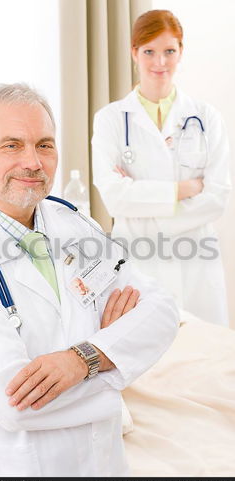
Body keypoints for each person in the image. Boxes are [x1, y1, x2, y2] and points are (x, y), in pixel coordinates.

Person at [0, 83, 179, 477]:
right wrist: (116, 355)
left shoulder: (73, 221)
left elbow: (160, 309)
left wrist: (83, 359)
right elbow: (16, 403)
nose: (33, 161)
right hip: (20, 474)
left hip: (106, 467)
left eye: (44, 145)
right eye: (12, 145)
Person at [92, 10, 231, 326]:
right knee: (146, 359)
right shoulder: (111, 120)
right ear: (134, 53)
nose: (160, 62)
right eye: (149, 52)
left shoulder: (207, 118)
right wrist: (182, 190)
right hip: (141, 260)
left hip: (196, 261)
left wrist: (143, 204)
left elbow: (217, 196)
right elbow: (114, 198)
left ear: (181, 51)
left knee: (204, 359)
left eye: (169, 51)